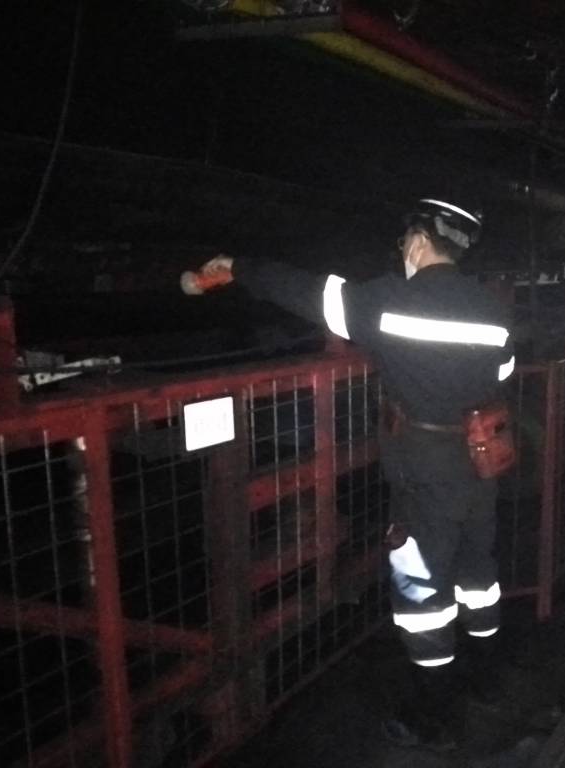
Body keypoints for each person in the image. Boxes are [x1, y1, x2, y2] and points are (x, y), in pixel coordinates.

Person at [187, 199, 515, 751]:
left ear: (418, 242)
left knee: (422, 589)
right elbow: (501, 373)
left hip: (424, 466)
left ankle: (433, 715)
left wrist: (239, 267)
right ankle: (487, 677)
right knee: (477, 571)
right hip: (481, 458)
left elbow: (307, 291)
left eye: (405, 243)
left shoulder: (389, 303)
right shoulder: (492, 308)